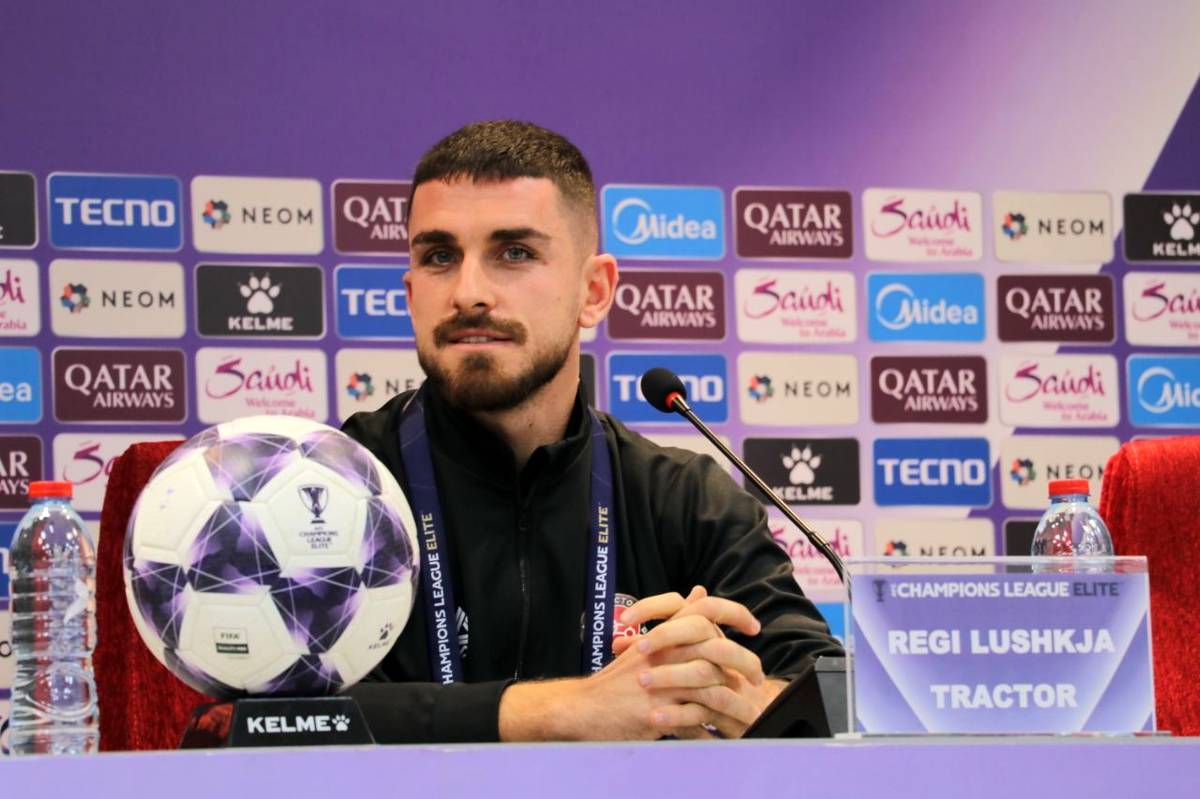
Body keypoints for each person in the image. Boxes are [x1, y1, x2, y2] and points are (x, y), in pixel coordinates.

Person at [342, 120, 842, 743]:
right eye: (440, 257)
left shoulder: (684, 499)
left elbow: (837, 700)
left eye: (514, 253)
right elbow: (262, 716)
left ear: (595, 291)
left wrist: (729, 693)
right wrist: (565, 711)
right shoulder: (332, 484)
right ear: (412, 292)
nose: (469, 293)